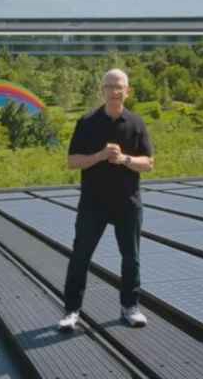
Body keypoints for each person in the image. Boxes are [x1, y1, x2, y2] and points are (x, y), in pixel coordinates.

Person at [58, 68, 154, 332]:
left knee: (131, 258)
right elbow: (71, 161)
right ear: (102, 90)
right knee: (80, 256)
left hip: (127, 203)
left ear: (127, 91)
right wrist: (99, 156)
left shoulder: (137, 124)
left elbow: (148, 164)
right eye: (109, 86)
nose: (114, 91)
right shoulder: (87, 123)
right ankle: (71, 311)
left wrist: (125, 159)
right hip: (93, 203)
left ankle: (130, 307)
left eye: (119, 86)